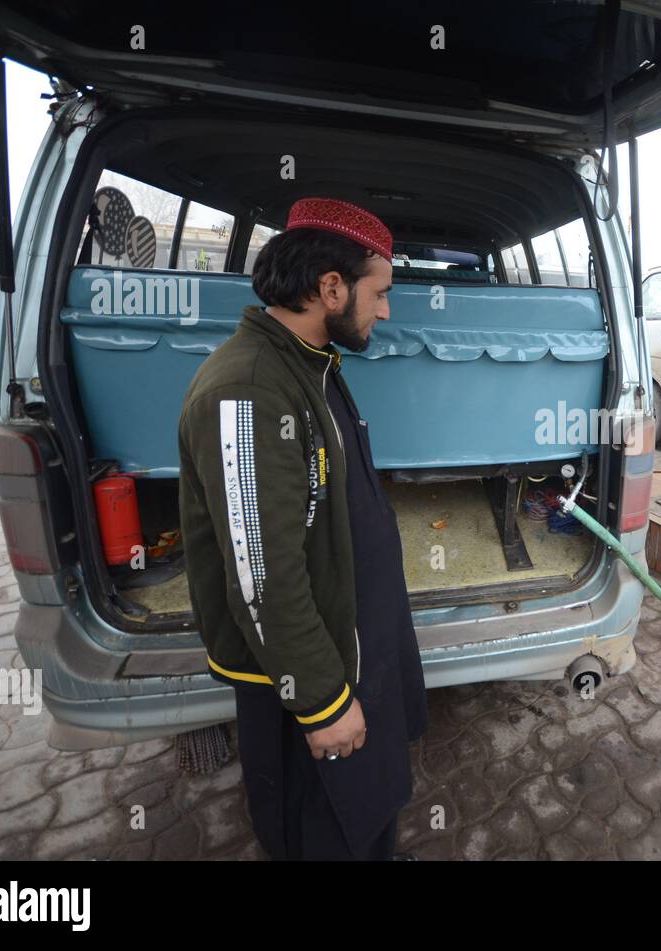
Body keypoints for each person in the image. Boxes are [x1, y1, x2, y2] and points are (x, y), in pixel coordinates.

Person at [178, 196, 428, 860]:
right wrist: (319, 701)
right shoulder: (250, 389)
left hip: (345, 649)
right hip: (302, 685)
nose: (385, 310)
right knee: (320, 834)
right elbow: (262, 576)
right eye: (380, 293)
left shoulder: (310, 365)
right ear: (330, 287)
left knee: (367, 821)